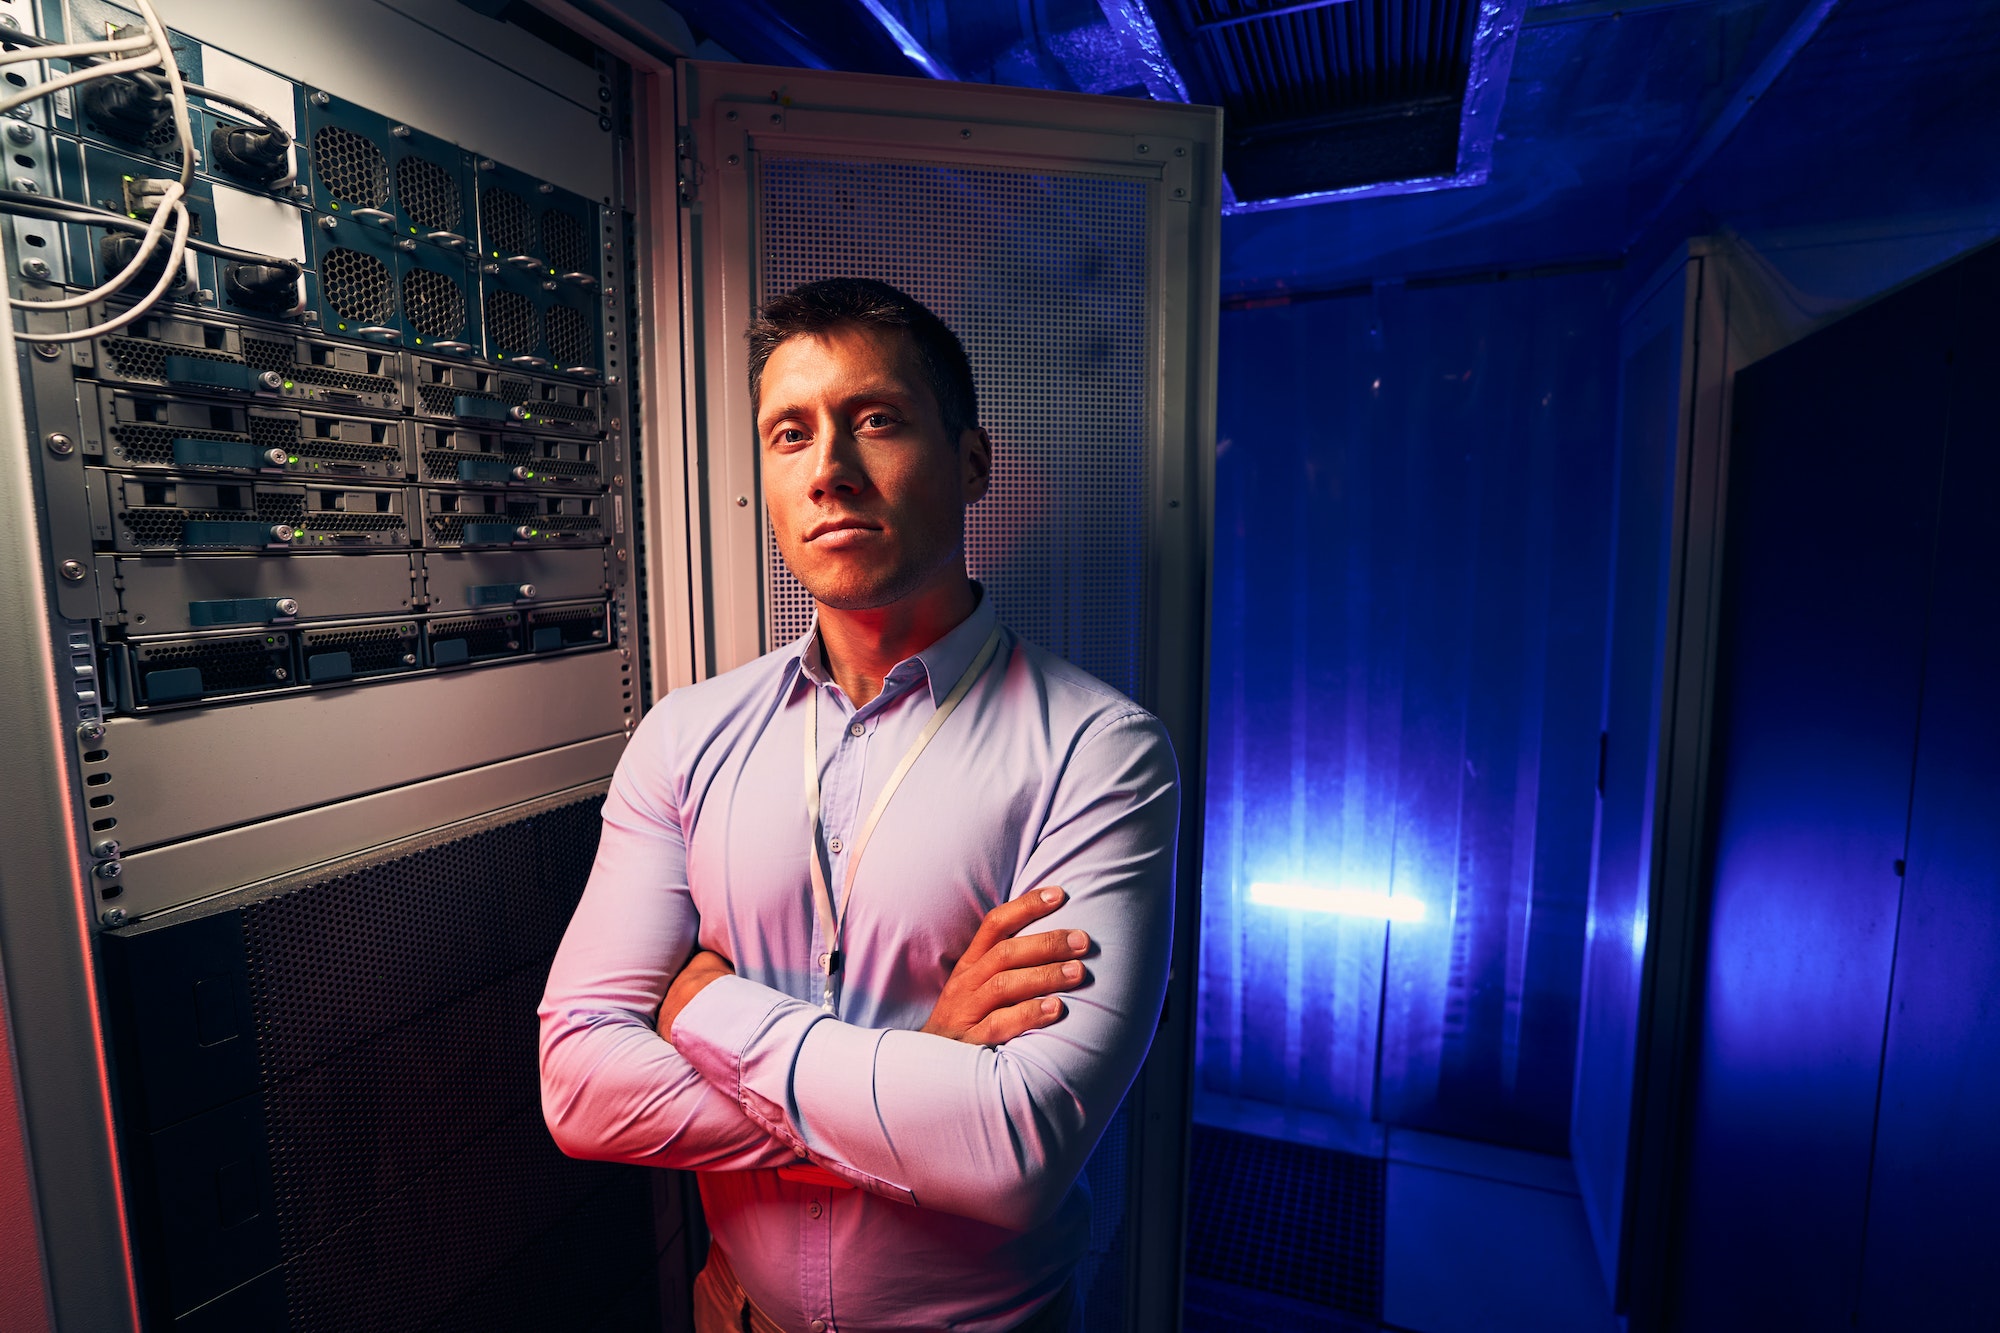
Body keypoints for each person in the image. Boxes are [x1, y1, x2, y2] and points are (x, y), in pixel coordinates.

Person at [538, 277, 1180, 1333]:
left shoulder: (1098, 752)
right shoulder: (684, 734)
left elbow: (1012, 1149)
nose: (828, 470)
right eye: (790, 435)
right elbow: (578, 1086)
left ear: (970, 464)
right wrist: (917, 1068)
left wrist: (704, 1008)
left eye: (873, 421)